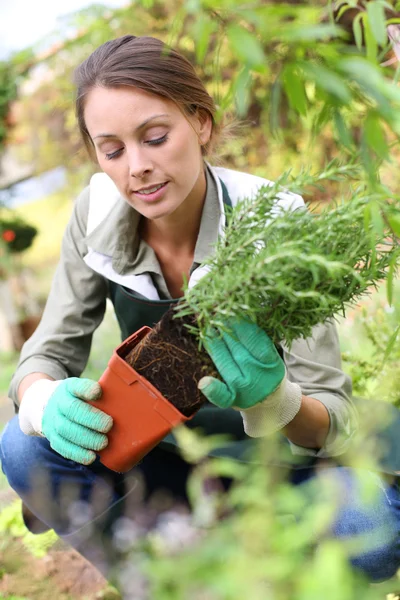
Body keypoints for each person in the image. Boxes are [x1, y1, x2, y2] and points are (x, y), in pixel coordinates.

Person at [1, 34, 399, 584]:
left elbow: (334, 417)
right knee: (22, 447)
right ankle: (163, 586)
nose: (136, 167)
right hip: (160, 453)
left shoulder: (276, 224)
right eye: (112, 150)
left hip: (279, 461)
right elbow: (46, 352)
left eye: (156, 137)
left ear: (202, 123)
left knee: (369, 536)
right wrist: (42, 397)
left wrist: (276, 401)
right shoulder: (94, 213)